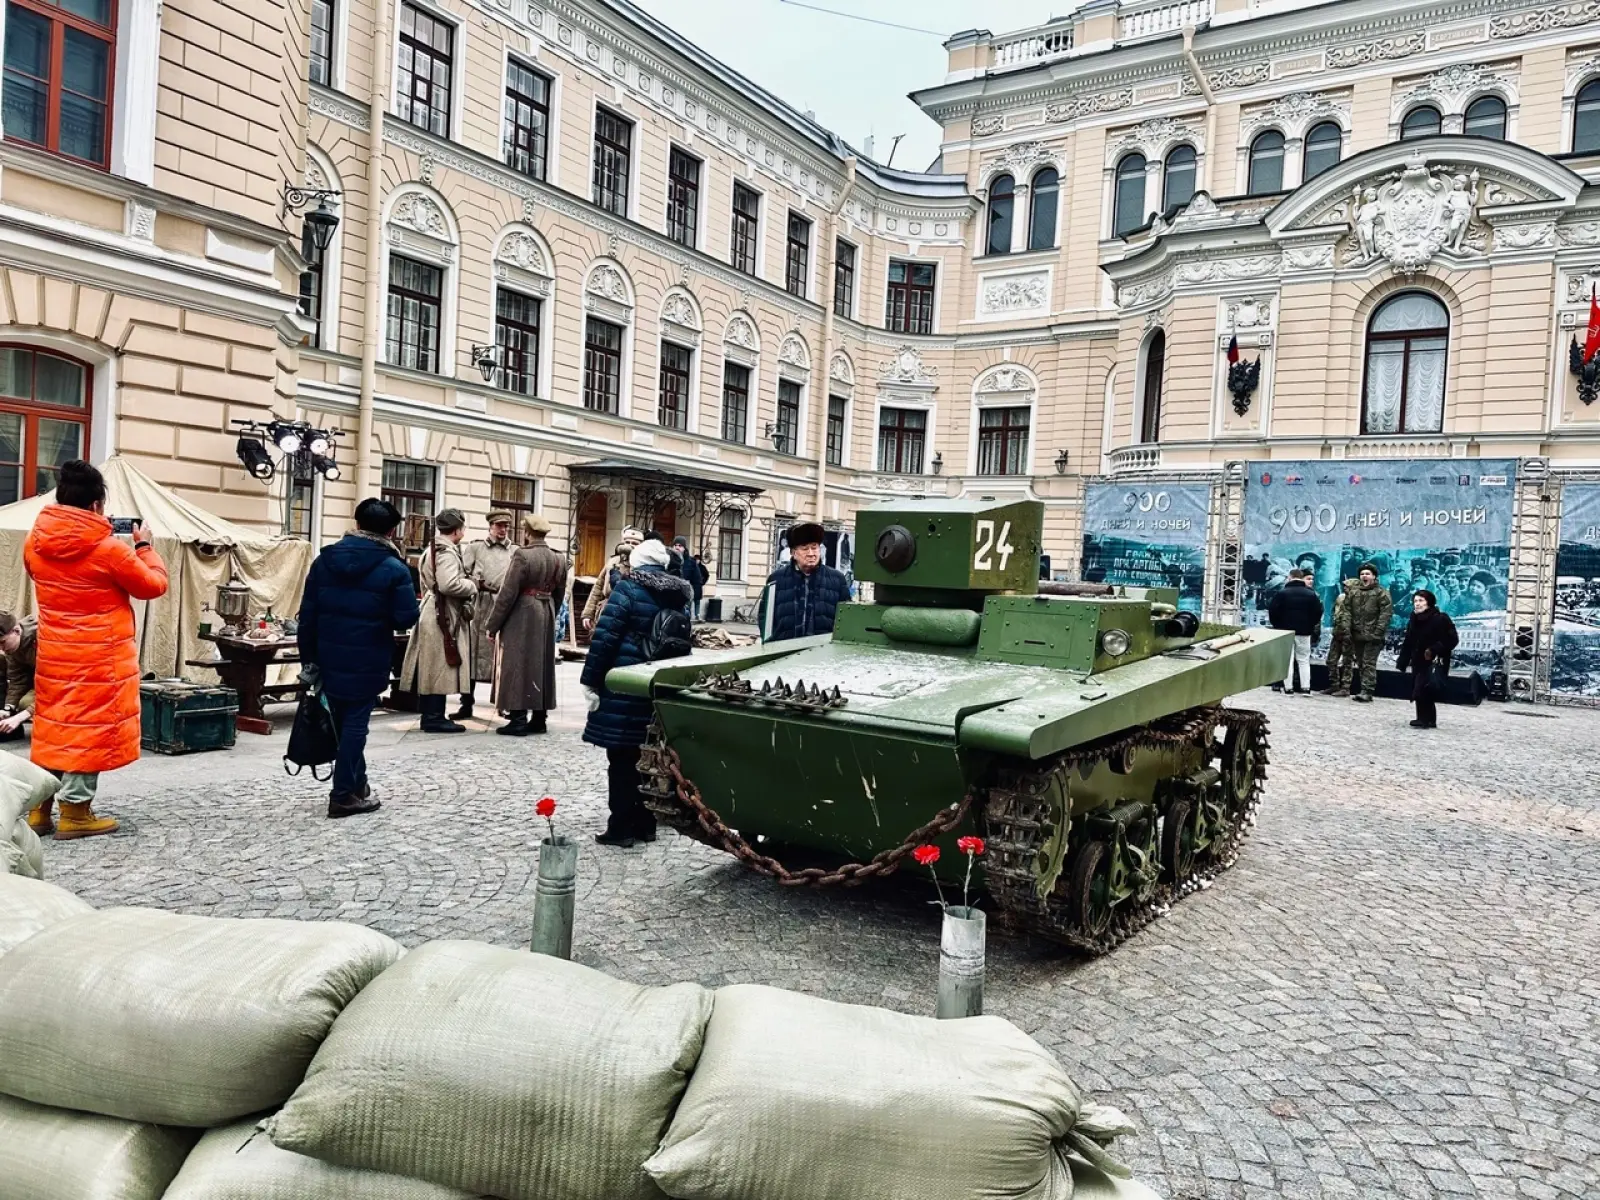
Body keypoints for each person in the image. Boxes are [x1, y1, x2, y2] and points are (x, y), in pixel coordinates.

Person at [22, 459, 168, 839]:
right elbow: (152, 586)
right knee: (88, 729)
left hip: (54, 652)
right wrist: (145, 546)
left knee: (55, 726)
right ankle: (75, 813)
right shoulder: (108, 550)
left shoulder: (34, 543)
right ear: (97, 506)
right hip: (99, 657)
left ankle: (39, 810)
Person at [297, 498, 421, 817]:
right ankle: (342, 795)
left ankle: (358, 784)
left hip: (327, 654)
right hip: (368, 655)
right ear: (392, 531)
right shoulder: (395, 568)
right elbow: (405, 618)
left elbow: (307, 614)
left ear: (356, 523)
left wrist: (308, 657)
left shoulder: (324, 561)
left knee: (343, 721)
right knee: (355, 724)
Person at [580, 539, 693, 847]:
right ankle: (646, 825)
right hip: (655, 685)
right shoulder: (677, 594)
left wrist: (589, 681)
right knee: (648, 759)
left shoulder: (627, 589)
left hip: (623, 684)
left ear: (638, 563)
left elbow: (604, 640)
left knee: (620, 761)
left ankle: (620, 829)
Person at [485, 514, 567, 736]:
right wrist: (550, 612)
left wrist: (493, 625)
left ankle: (518, 719)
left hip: (523, 613)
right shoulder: (559, 558)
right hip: (546, 610)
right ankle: (540, 718)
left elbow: (507, 593)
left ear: (527, 533)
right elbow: (560, 594)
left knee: (517, 663)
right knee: (542, 664)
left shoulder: (523, 555)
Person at [400, 508, 476, 734]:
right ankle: (433, 717)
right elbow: (449, 584)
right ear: (458, 529)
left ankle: (433, 714)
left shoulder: (434, 549)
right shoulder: (446, 553)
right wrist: (472, 585)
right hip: (442, 613)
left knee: (436, 664)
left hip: (435, 610)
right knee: (438, 666)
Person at [459, 511, 514, 721]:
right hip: (478, 608)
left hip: (502, 608)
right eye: (499, 525)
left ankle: (503, 704)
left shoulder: (515, 552)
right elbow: (462, 574)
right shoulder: (475, 548)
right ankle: (466, 704)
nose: (502, 530)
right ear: (490, 526)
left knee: (501, 660)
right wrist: (475, 583)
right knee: (471, 657)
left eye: (506, 526)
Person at [757, 521, 850, 643]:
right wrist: (770, 642)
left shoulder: (837, 579)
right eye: (805, 549)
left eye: (814, 547)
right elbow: (765, 617)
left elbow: (846, 618)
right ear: (793, 553)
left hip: (823, 651)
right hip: (784, 650)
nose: (811, 553)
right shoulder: (776, 579)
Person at [1397, 590, 1458, 730]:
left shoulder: (1441, 618)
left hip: (1435, 659)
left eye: (1421, 601)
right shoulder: (1414, 618)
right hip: (1418, 658)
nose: (1417, 604)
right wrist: (1403, 660)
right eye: (1415, 601)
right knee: (1419, 687)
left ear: (1429, 603)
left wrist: (1434, 649)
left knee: (1425, 687)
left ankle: (1426, 719)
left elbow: (1452, 639)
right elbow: (1409, 640)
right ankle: (1425, 719)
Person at [1267, 567, 1322, 695]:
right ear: (1301, 577)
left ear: (1290, 577)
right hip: (1304, 632)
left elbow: (1273, 611)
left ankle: (1288, 688)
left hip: (1285, 632)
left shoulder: (1282, 593)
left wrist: (1278, 626)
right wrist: (1310, 625)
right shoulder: (1311, 594)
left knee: (1288, 660)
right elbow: (1318, 612)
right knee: (1303, 660)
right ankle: (1305, 688)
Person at [1347, 561, 1393, 703]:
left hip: (1373, 635)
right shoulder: (1354, 592)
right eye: (1362, 574)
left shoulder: (1382, 593)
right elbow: (1348, 611)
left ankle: (1367, 691)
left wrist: (1378, 632)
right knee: (1361, 663)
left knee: (1368, 663)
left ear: (1374, 576)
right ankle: (1363, 689)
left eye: (1367, 574)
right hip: (1357, 634)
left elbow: (1386, 614)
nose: (1364, 576)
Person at [581, 526, 643, 633]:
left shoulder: (642, 565)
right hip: (606, 609)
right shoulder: (613, 561)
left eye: (634, 543)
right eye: (627, 541)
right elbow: (598, 587)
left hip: (628, 615)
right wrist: (588, 614)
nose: (630, 545)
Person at [0, 612, 37, 744]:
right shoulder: (13, 647)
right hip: (40, 682)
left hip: (71, 682)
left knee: (26, 704)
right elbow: (17, 679)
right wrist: (8, 708)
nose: (2, 649)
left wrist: (21, 717)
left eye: (2, 642)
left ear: (16, 630)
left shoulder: (43, 638)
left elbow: (58, 687)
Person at [1321, 580, 1357, 697]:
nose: (1345, 588)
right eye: (1344, 586)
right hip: (1337, 634)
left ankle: (1345, 687)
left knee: (1347, 662)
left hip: (1349, 636)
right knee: (1331, 660)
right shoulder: (1341, 598)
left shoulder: (1358, 602)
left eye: (1347, 586)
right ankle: (1334, 684)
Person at [673, 535, 709, 618]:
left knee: (684, 618)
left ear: (684, 548)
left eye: (680, 545)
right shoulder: (668, 559)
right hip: (672, 595)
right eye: (675, 545)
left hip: (685, 596)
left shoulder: (691, 562)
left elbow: (697, 580)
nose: (677, 547)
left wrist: (693, 595)